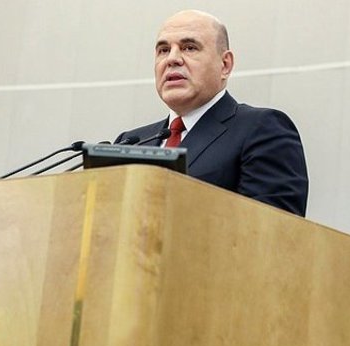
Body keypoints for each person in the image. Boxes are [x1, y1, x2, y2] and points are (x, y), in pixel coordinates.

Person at [116, 10, 309, 216]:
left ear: (225, 65)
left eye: (189, 48)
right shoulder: (131, 143)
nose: (172, 59)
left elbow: (271, 228)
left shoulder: (262, 129)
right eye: (163, 50)